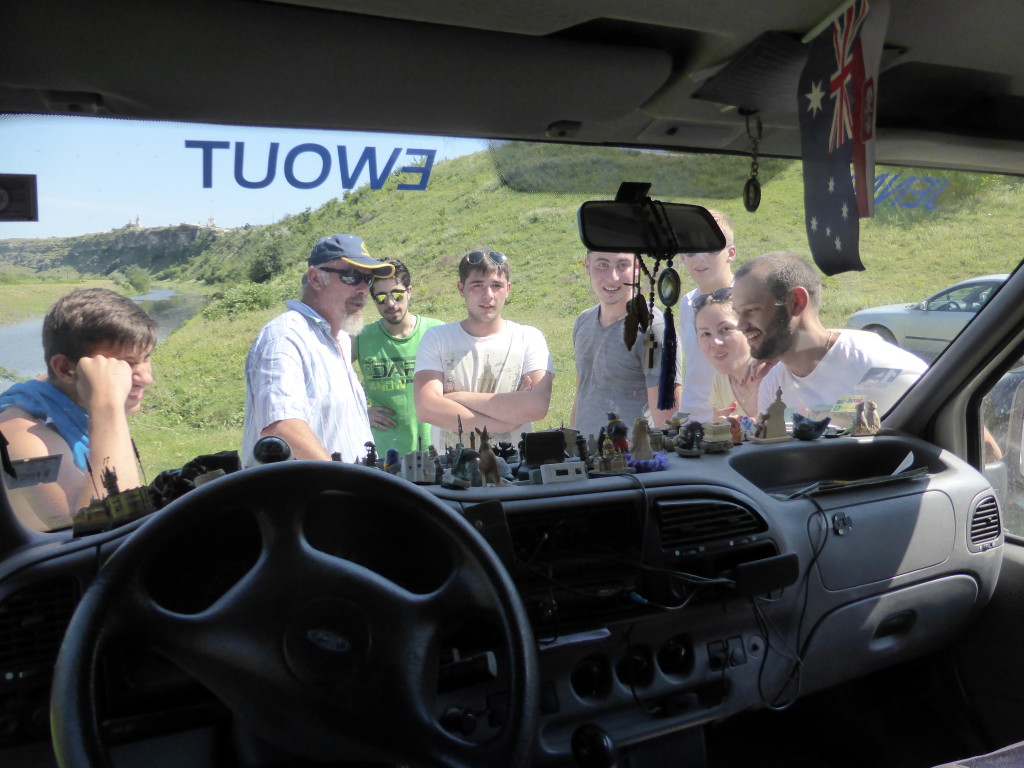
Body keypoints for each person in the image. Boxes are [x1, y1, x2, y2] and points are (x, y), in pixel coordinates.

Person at [0, 288, 157, 532]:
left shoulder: (66, 394)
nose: (146, 378)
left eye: (146, 357)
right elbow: (100, 533)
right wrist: (108, 407)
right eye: (125, 363)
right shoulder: (18, 438)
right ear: (65, 369)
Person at [242, 233, 394, 465]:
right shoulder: (286, 337)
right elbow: (282, 426)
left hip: (345, 492)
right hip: (308, 495)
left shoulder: (340, 339)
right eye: (352, 276)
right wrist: (343, 479)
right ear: (315, 278)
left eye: (368, 280)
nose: (364, 290)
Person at [732, 251, 928, 427]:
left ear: (797, 302)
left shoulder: (883, 368)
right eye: (738, 313)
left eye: (751, 310)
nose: (740, 325)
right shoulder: (773, 383)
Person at [413, 248, 553, 450]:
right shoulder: (437, 338)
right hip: (451, 471)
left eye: (496, 285)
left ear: (508, 289)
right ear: (461, 289)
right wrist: (507, 420)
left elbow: (536, 406)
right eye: (478, 285)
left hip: (515, 470)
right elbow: (427, 408)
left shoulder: (528, 337)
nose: (488, 295)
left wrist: (456, 398)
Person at [571, 250, 680, 441]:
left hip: (633, 464)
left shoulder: (653, 330)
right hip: (587, 460)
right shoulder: (583, 322)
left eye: (622, 265)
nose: (613, 277)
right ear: (587, 267)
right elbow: (583, 393)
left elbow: (669, 426)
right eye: (602, 265)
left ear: (636, 267)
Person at [354, 258, 443, 455]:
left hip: (435, 450)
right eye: (381, 297)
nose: (391, 303)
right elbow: (326, 376)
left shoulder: (437, 331)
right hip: (384, 454)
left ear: (409, 292)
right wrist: (358, 412)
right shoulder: (361, 338)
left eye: (397, 294)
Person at [679, 209, 737, 423]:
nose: (700, 259)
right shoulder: (686, 303)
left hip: (736, 422)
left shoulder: (749, 298)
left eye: (712, 249)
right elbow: (694, 369)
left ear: (731, 253)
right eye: (692, 251)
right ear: (682, 257)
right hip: (691, 423)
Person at [692, 287, 760, 419]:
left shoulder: (779, 374)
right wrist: (719, 431)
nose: (715, 342)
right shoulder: (720, 380)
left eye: (725, 329)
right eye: (705, 334)